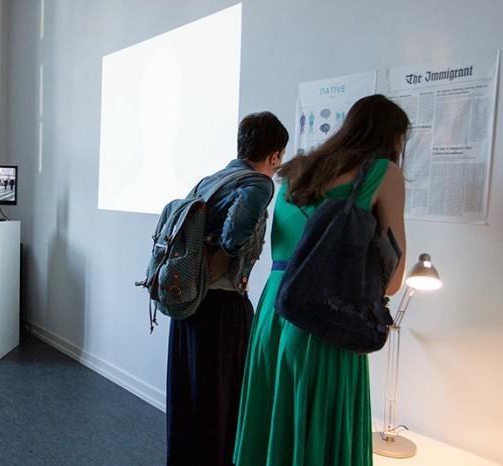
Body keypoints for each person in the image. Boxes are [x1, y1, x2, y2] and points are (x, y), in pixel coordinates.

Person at [233, 94, 409, 466]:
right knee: (316, 436)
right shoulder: (383, 172)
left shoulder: (295, 170)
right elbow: (393, 281)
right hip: (326, 316)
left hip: (275, 311)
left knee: (276, 426)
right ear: (394, 138)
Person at [167, 111, 289, 466]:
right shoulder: (259, 184)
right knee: (219, 401)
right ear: (275, 155)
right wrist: (225, 255)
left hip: (189, 301)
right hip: (221, 306)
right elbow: (235, 232)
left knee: (188, 397)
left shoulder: (211, 180)